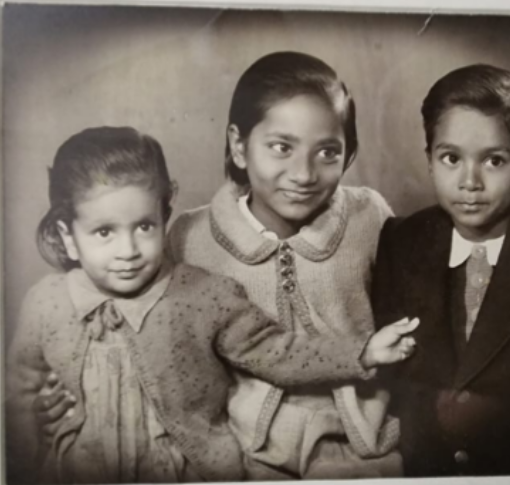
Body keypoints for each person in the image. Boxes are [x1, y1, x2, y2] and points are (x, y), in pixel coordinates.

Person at [5, 126, 419, 484]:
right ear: (68, 236)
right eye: (104, 232)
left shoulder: (202, 295)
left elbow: (275, 351)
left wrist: (361, 352)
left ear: (165, 214)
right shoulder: (46, 304)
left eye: (144, 226)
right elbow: (19, 394)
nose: (128, 250)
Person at [372, 64, 510, 476]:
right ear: (430, 160)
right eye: (451, 158)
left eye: (493, 160)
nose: (469, 181)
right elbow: (387, 377)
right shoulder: (401, 241)